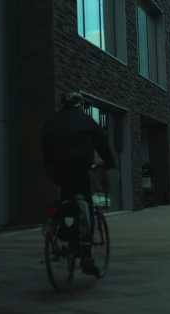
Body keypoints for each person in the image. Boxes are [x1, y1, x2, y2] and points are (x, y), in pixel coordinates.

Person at [42, 91, 116, 277]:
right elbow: (102, 143)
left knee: (67, 201)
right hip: (78, 170)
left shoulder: (52, 121)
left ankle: (62, 231)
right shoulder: (86, 121)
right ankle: (86, 258)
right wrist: (109, 164)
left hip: (55, 172)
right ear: (80, 104)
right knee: (86, 207)